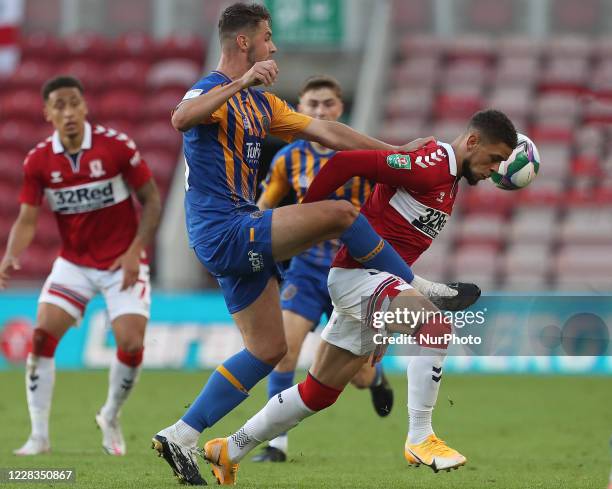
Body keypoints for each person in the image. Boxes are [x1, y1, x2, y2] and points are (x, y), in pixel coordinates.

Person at [152, 3, 470, 484]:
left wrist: (393, 150)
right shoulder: (215, 90)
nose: (274, 45)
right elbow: (181, 118)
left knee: (268, 350)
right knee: (343, 213)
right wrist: (241, 82)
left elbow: (327, 132)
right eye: (267, 36)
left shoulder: (264, 105)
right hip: (224, 228)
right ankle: (420, 285)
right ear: (245, 43)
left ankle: (182, 434)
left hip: (241, 228)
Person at [202, 109, 517, 484]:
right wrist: (306, 223)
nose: (495, 169)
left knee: (317, 393)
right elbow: (343, 163)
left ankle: (230, 447)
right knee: (436, 325)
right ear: (472, 141)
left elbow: (397, 234)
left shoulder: (449, 181)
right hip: (358, 276)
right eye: (494, 158)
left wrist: (387, 320)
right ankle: (421, 436)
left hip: (375, 285)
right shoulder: (430, 165)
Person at [0, 76, 162, 456]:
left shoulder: (116, 147)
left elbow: (152, 202)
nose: (69, 112)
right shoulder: (38, 161)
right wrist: (11, 254)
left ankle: (110, 415)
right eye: (59, 105)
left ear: (85, 107)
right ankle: (39, 436)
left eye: (74, 103)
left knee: (131, 343)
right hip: (74, 263)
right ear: (47, 113)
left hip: (123, 258)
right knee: (41, 337)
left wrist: (135, 249)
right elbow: (26, 218)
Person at [252, 75, 394, 463]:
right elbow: (264, 209)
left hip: (353, 272)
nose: (319, 111)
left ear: (340, 109)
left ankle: (375, 378)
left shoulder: (361, 157)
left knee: (358, 375)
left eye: (327, 104)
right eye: (312, 104)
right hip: (307, 269)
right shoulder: (288, 158)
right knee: (283, 352)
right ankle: (276, 444)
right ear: (299, 108)